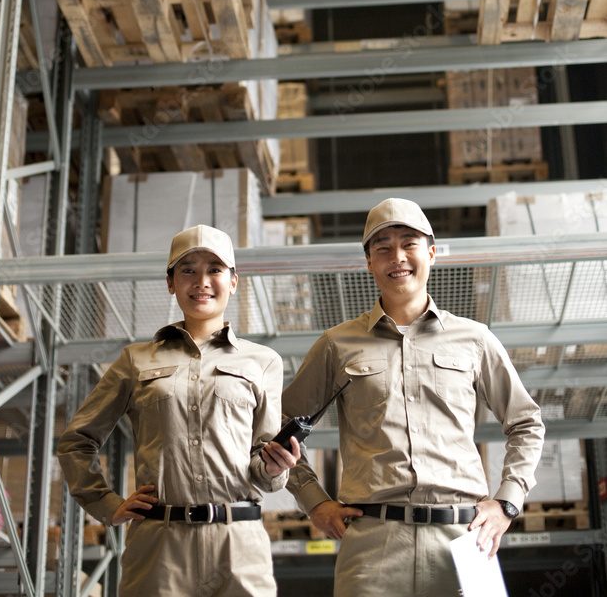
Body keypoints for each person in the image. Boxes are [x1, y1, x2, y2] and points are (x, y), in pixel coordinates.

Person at [281, 197, 545, 597]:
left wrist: (507, 501)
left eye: (409, 243)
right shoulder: (337, 345)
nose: (397, 256)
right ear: (369, 262)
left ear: (432, 254)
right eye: (382, 247)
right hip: (372, 547)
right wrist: (314, 501)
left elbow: (526, 423)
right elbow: (278, 432)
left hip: (465, 538)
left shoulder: (475, 339)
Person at [58, 224, 300, 597]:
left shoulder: (263, 361)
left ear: (233, 282)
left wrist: (274, 467)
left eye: (214, 270)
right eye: (187, 270)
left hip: (239, 545)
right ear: (171, 283)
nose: (201, 281)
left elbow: (262, 466)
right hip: (159, 548)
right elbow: (77, 440)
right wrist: (107, 504)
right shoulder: (135, 360)